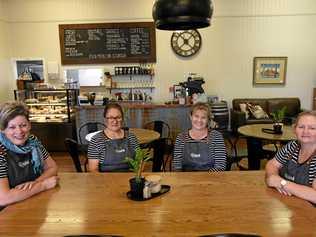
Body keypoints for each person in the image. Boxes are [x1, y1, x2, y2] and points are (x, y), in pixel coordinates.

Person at [0, 102, 58, 207]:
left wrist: (35, 182)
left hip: (31, 202)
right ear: (3, 130)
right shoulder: (1, 152)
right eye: (12, 127)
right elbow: (3, 198)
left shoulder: (33, 142)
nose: (19, 131)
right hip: (6, 213)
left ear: (30, 125)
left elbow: (52, 167)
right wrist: (42, 185)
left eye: (23, 125)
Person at [265, 111, 316, 204]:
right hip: (288, 203)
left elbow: (314, 196)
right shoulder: (293, 146)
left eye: (312, 128)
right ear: (294, 129)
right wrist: (273, 176)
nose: (305, 131)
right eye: (301, 127)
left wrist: (282, 183)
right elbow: (272, 164)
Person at [172, 102, 227, 171]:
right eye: (196, 116)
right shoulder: (181, 138)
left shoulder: (216, 137)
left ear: (208, 120)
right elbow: (176, 167)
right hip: (186, 179)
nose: (199, 120)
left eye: (203, 117)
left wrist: (202, 179)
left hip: (211, 178)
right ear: (191, 117)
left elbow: (220, 166)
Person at [88, 103, 139, 172]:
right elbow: (93, 170)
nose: (115, 121)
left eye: (118, 117)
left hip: (129, 179)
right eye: (111, 117)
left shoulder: (131, 137)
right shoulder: (96, 140)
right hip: (105, 180)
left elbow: (140, 162)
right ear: (105, 119)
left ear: (122, 119)